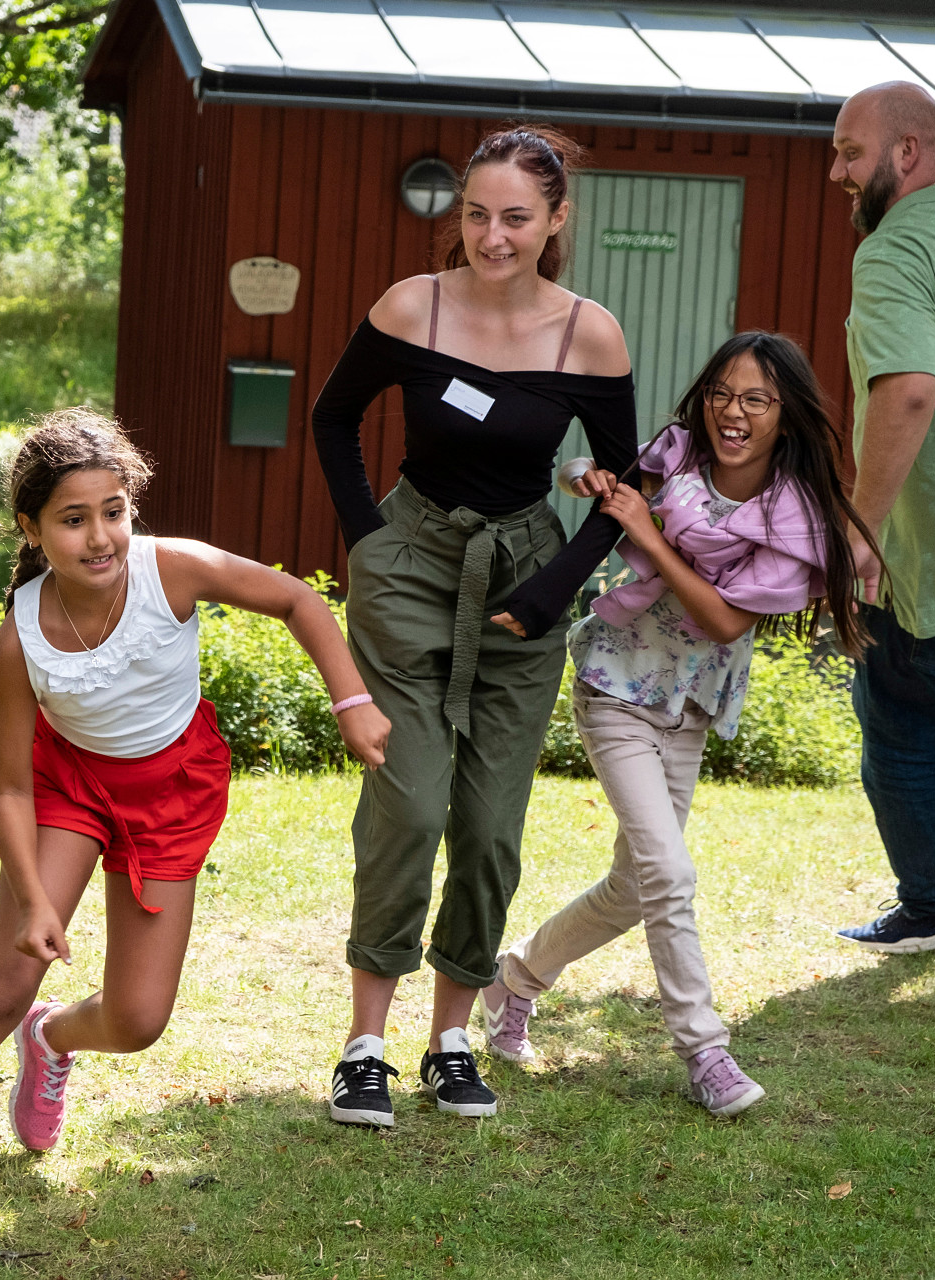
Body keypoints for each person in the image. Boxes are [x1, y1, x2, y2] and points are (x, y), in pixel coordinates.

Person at [0, 411, 390, 1255]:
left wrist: (352, 703)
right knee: (4, 979)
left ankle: (53, 1039)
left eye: (113, 510)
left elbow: (294, 598)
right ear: (32, 529)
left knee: (138, 1020)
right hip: (67, 786)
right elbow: (10, 787)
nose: (99, 536)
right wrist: (32, 900)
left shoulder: (170, 570)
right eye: (72, 518)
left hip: (171, 791)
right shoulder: (21, 638)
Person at [308, 125, 636, 1127]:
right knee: (408, 805)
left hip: (523, 579)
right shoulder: (417, 303)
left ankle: (450, 1038)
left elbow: (626, 484)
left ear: (556, 221)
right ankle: (364, 1043)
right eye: (478, 214)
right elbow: (332, 418)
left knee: (490, 826)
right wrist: (372, 543)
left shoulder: (590, 332)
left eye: (517, 218)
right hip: (412, 563)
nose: (494, 236)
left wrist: (555, 589)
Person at [481, 332, 876, 1118]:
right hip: (616, 684)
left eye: (756, 399)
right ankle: (705, 1050)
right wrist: (586, 476)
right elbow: (587, 477)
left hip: (690, 705)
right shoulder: (676, 454)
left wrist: (651, 533)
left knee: (638, 885)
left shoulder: (791, 515)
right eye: (722, 394)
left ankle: (513, 978)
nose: (733, 412)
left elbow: (726, 621)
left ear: (785, 416)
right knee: (670, 874)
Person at [828, 82, 935, 953]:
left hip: (928, 560)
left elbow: (907, 390)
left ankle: (934, 906)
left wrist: (861, 531)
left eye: (848, 151)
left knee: (900, 721)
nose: (837, 169)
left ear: (906, 154)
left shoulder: (898, 247)